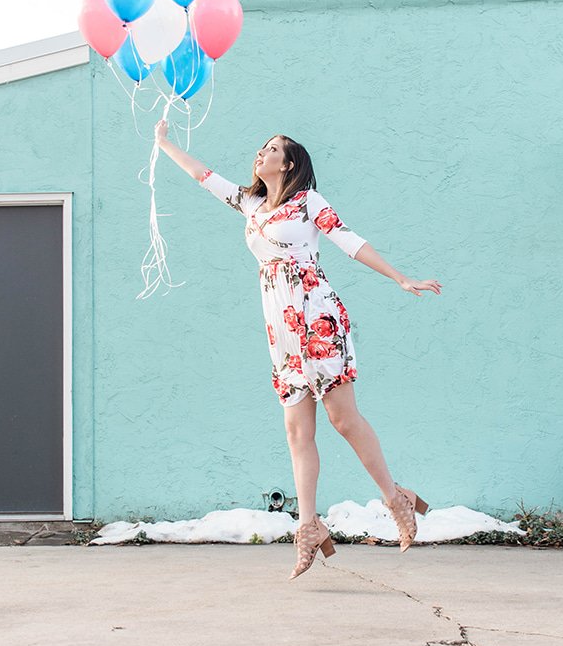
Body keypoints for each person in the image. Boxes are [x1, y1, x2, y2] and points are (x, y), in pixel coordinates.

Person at [154, 121, 442, 578]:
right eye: (261, 147)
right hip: (281, 328)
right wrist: (164, 143)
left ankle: (396, 497)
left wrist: (400, 277)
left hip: (317, 317)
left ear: (288, 164)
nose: (260, 153)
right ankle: (308, 526)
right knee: (296, 430)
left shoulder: (308, 203)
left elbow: (349, 240)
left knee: (342, 419)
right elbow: (203, 177)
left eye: (271, 149)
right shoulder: (250, 205)